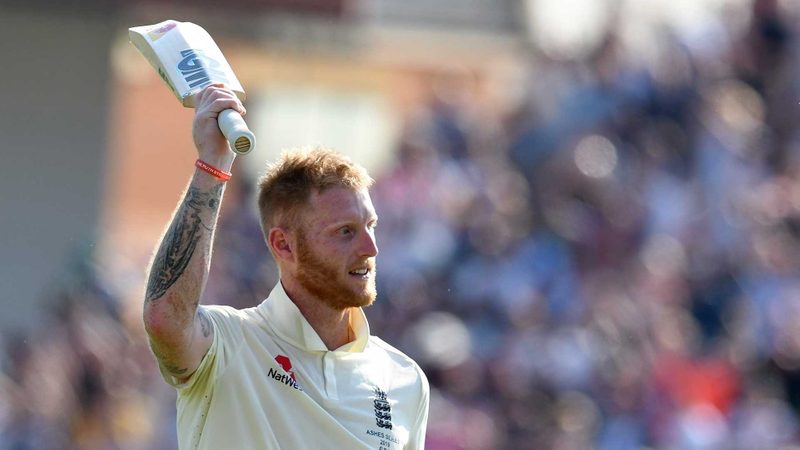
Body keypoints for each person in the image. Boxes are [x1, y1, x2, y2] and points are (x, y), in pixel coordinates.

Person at [142, 84, 430, 449]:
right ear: (283, 244)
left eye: (370, 226)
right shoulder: (229, 344)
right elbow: (165, 318)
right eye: (345, 232)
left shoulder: (405, 379)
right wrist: (212, 165)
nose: (370, 248)